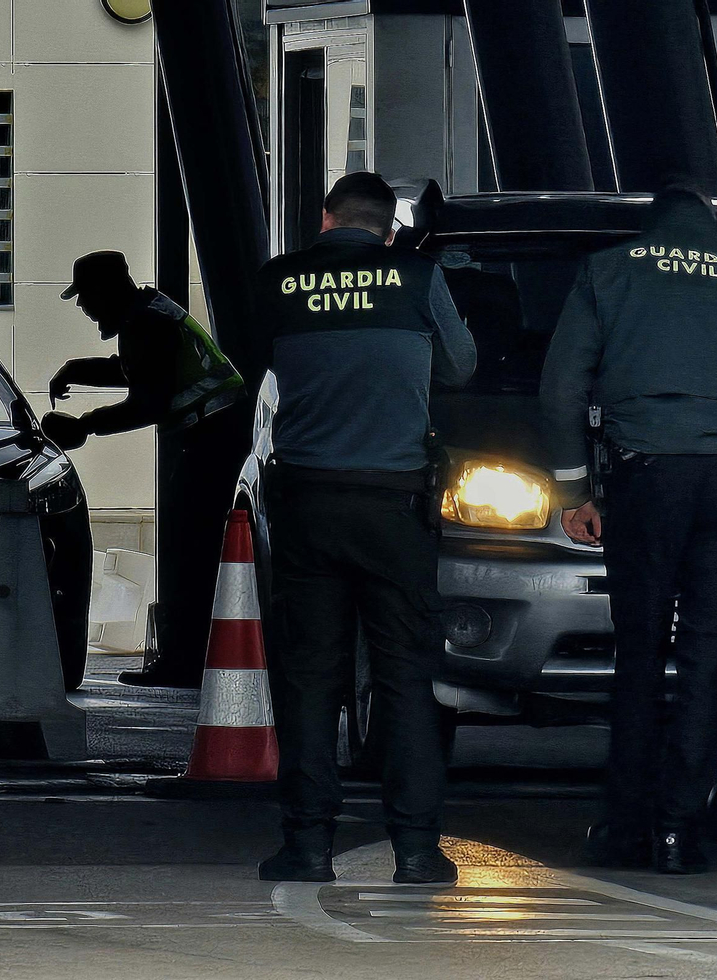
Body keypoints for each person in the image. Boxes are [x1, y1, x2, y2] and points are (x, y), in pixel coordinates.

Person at [538, 181, 717, 875]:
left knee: (642, 656)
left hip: (647, 479)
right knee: (710, 664)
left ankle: (625, 830)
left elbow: (561, 389)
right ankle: (680, 834)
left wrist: (575, 493)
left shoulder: (609, 272)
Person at [254, 171, 476, 885]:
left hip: (308, 504)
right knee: (407, 680)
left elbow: (251, 365)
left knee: (312, 680)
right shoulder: (416, 276)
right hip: (394, 506)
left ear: (326, 219)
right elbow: (462, 368)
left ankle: (308, 847)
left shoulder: (281, 280)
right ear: (387, 228)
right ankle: (415, 851)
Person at [42, 250, 243, 451]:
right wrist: (75, 370)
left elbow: (148, 406)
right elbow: (143, 372)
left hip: (213, 429)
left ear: (105, 292)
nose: (80, 304)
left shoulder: (148, 324)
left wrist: (85, 425)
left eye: (85, 295)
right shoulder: (146, 313)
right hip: (217, 423)